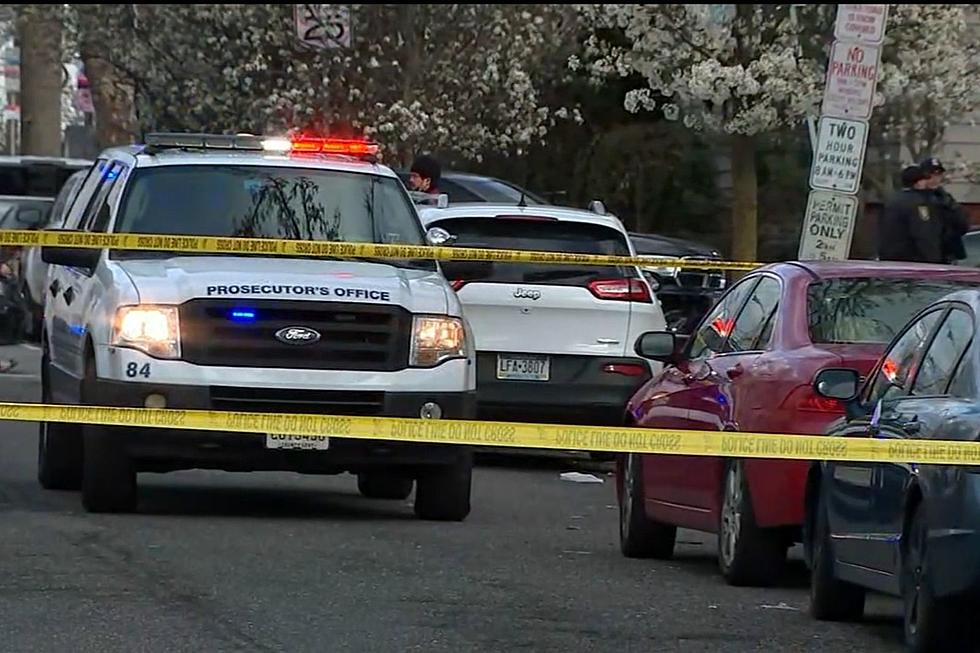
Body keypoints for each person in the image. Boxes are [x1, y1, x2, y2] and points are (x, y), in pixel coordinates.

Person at [878, 165, 945, 263]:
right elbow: (923, 234)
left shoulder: (892, 200)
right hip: (912, 262)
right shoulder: (918, 203)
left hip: (889, 260)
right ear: (918, 183)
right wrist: (933, 261)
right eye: (924, 180)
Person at [919, 156, 969, 264]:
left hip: (947, 254)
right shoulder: (916, 198)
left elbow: (962, 225)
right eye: (931, 175)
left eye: (938, 174)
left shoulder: (945, 198)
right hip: (925, 256)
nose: (935, 179)